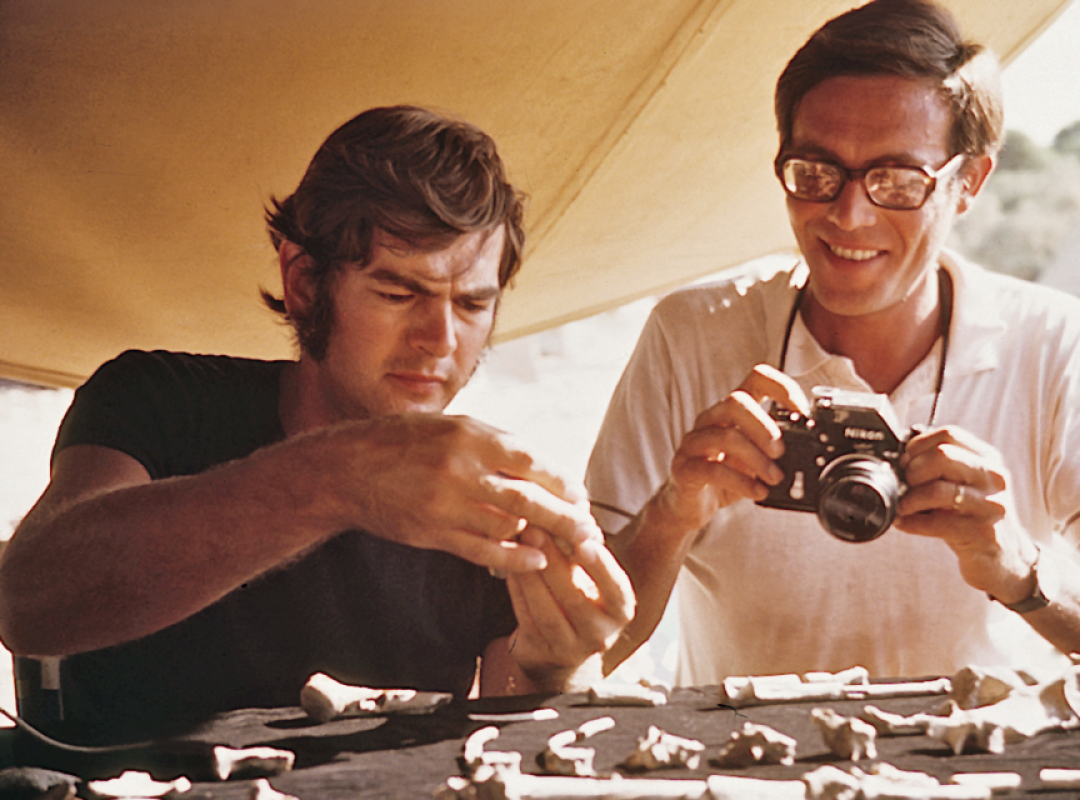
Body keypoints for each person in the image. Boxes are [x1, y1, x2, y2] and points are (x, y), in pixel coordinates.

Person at [585, 0, 1080, 686]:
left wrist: (1021, 569)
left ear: (969, 184)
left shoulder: (1053, 345)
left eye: (897, 180)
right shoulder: (692, 334)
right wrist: (669, 517)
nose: (848, 214)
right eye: (815, 171)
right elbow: (564, 651)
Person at [0, 105, 634, 743]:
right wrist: (338, 479)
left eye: (472, 304)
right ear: (303, 281)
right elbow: (27, 605)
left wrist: (558, 660)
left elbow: (520, 747)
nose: (440, 338)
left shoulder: (479, 492)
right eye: (399, 293)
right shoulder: (161, 398)